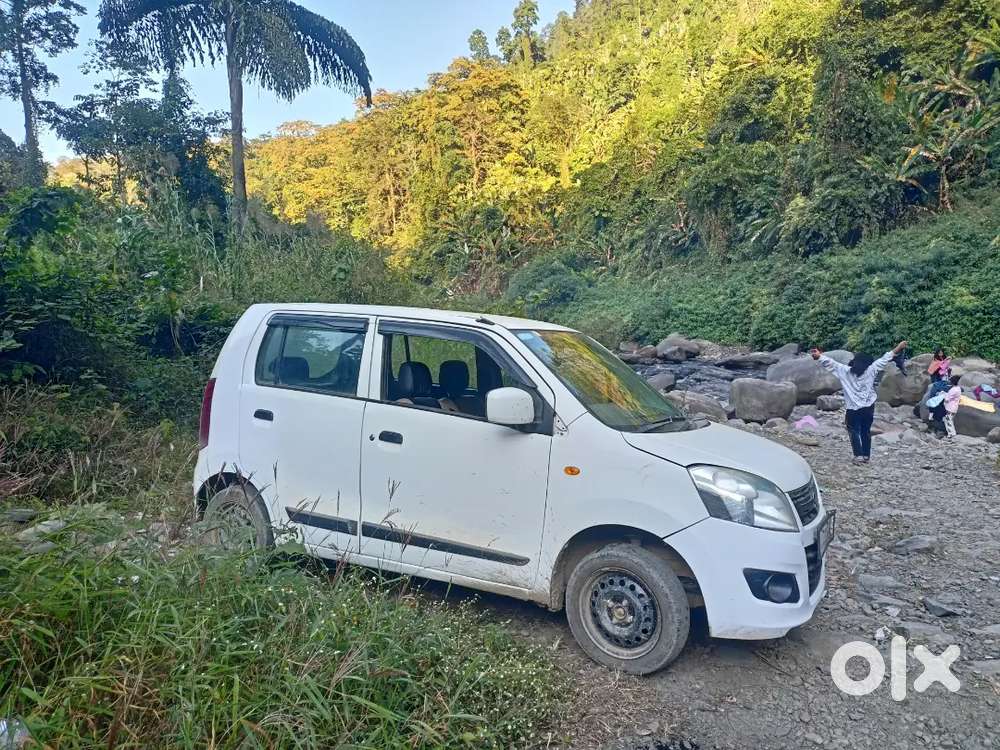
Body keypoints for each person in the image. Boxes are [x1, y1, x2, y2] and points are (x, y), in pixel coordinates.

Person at [810, 340, 908, 463]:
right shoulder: (871, 370)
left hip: (853, 408)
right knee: (865, 431)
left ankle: (858, 455)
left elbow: (831, 363)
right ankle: (866, 456)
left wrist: (819, 356)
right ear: (868, 363)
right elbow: (885, 358)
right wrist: (899, 347)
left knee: (854, 431)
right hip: (868, 407)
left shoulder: (845, 371)